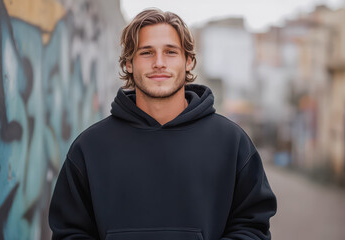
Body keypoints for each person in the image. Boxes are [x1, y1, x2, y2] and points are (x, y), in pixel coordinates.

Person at [49, 8, 277, 240]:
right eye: (146, 53)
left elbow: (253, 228)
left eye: (170, 52)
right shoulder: (90, 147)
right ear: (128, 63)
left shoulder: (232, 142)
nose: (159, 63)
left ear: (188, 61)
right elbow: (69, 232)